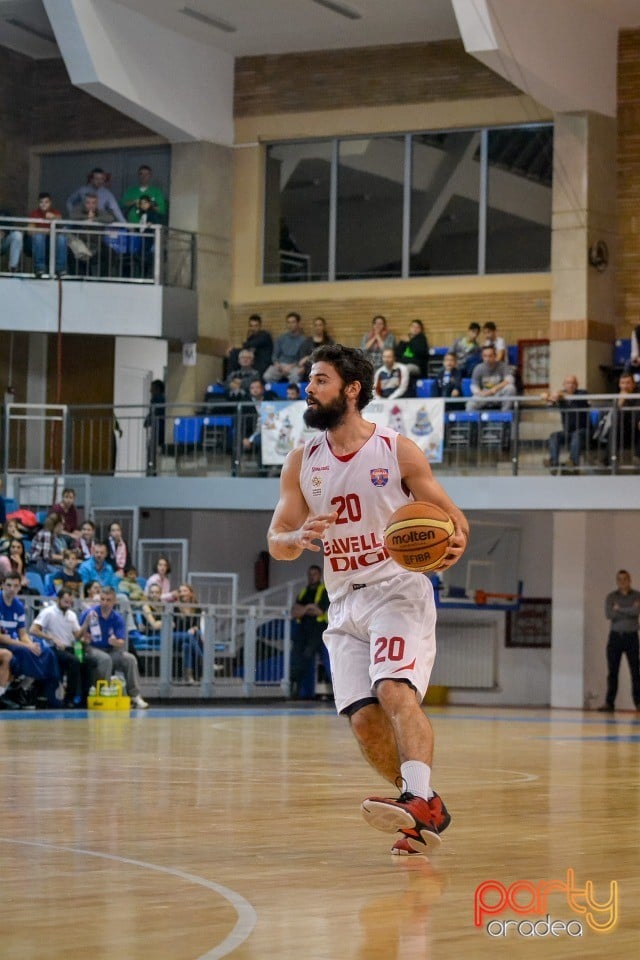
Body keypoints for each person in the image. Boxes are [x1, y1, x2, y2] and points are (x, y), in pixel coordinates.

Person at [267, 343, 469, 856]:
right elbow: (277, 540)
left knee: (394, 690)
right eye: (309, 381)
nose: (307, 390)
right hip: (343, 604)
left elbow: (452, 518)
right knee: (364, 721)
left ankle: (419, 799)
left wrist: (453, 542)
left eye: (319, 380)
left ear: (351, 389)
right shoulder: (300, 462)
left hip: (396, 589)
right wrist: (298, 538)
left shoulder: (396, 450)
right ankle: (424, 804)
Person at [79, 586, 148, 708]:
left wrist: (114, 642)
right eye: (102, 599)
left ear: (114, 601)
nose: (104, 603)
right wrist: (85, 627)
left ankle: (135, 696)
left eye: (108, 600)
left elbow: (121, 642)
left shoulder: (117, 618)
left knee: (130, 659)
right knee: (105, 659)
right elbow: (77, 635)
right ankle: (104, 692)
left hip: (110, 649)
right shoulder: (89, 613)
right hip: (91, 649)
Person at [0, 572, 61, 707]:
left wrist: (31, 644)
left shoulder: (19, 606)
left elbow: (22, 634)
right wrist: (26, 646)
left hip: (13, 642)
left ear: (19, 587)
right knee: (24, 651)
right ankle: (4, 693)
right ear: (2, 585)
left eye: (15, 586)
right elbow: (2, 637)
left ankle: (24, 688)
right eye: (8, 585)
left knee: (44, 652)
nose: (11, 589)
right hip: (3, 643)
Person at [30, 588, 85, 707]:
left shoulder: (72, 615)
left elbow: (77, 636)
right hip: (52, 648)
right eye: (65, 601)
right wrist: (51, 638)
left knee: (86, 660)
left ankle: (83, 696)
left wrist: (86, 624)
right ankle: (70, 698)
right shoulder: (48, 612)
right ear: (58, 600)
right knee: (74, 661)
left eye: (70, 602)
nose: (68, 604)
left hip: (68, 647)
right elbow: (33, 630)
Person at [597, 570, 640, 712]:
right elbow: (609, 614)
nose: (622, 582)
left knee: (635, 670)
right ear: (616, 581)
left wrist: (620, 609)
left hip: (631, 637)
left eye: (625, 579)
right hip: (615, 637)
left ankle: (638, 702)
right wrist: (629, 610)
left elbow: (636, 612)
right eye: (619, 579)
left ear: (630, 580)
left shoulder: (637, 595)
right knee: (612, 671)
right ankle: (609, 703)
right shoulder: (611, 597)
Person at [290, 564, 330, 699]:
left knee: (315, 657)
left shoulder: (324, 590)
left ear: (320, 575)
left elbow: (319, 611)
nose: (312, 577)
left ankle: (335, 695)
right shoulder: (304, 592)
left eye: (314, 574)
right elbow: (294, 612)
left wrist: (304, 609)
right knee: (297, 659)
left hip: (318, 631)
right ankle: (295, 691)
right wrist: (308, 607)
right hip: (303, 631)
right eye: (310, 574)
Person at [541, 375, 590, 473]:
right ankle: (553, 463)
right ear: (564, 385)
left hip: (584, 430)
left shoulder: (583, 393)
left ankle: (572, 462)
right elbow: (550, 404)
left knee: (577, 435)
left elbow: (573, 398)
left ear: (576, 385)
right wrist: (546, 396)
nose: (570, 385)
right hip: (568, 432)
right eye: (568, 383)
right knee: (554, 436)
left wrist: (560, 395)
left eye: (573, 383)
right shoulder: (560, 396)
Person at [27, 192, 67, 278]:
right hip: (38, 243)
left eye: (46, 202)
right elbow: (30, 230)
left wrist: (53, 218)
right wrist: (46, 231)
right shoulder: (35, 213)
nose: (44, 204)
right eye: (41, 202)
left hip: (52, 242)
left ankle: (60, 269)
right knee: (39, 237)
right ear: (38, 203)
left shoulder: (55, 212)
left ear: (50, 203)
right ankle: (40, 268)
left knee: (61, 238)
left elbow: (61, 225)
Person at [466, 344, 517, 411]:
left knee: (511, 388)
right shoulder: (478, 368)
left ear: (495, 356)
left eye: (490, 356)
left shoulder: (502, 366)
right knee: (470, 404)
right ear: (482, 357)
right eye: (485, 356)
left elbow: (510, 379)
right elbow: (474, 386)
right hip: (484, 395)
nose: (487, 359)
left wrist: (494, 389)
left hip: (498, 394)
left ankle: (505, 414)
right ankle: (473, 420)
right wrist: (481, 393)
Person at [263, 312, 307, 383]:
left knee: (295, 376)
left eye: (293, 322)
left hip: (294, 366)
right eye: (288, 322)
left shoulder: (303, 340)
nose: (290, 325)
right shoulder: (280, 338)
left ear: (298, 323)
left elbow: (301, 359)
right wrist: (278, 365)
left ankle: (292, 394)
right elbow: (274, 355)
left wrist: (291, 366)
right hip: (280, 365)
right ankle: (275, 394)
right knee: (267, 376)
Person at [226, 314, 274, 379]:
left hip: (263, 363)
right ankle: (230, 379)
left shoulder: (265, 335)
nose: (253, 328)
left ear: (260, 326)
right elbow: (245, 349)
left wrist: (235, 349)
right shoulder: (251, 337)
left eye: (256, 326)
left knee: (235, 352)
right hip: (253, 361)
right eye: (251, 326)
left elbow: (250, 344)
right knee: (235, 355)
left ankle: (232, 379)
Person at [174, 583, 202, 684]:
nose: (182, 593)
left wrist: (194, 628)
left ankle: (189, 677)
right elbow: (173, 625)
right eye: (180, 591)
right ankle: (205, 661)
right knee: (189, 637)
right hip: (175, 636)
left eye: (185, 591)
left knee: (187, 646)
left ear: (191, 593)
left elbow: (198, 624)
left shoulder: (197, 608)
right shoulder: (175, 607)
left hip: (189, 639)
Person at [295, 316, 334, 381]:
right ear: (313, 327)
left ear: (323, 327)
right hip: (309, 368)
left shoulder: (329, 342)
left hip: (325, 367)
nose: (318, 327)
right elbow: (302, 359)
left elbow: (332, 357)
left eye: (320, 325)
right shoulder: (307, 342)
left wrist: (309, 357)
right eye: (315, 325)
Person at [145, 379, 166, 475]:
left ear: (157, 389)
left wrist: (147, 421)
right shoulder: (162, 399)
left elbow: (154, 413)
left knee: (152, 450)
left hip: (158, 429)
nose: (150, 391)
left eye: (152, 388)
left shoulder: (157, 399)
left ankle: (152, 472)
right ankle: (153, 471)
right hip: (159, 429)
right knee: (154, 450)